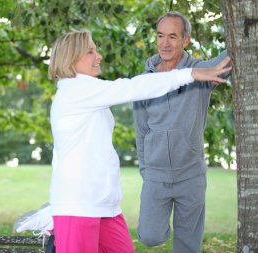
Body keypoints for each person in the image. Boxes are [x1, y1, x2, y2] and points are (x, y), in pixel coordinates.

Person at [43, 29, 230, 253]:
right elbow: (133, 87)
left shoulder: (86, 92)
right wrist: (189, 74)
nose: (98, 56)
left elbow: (62, 153)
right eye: (91, 51)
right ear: (71, 58)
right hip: (79, 206)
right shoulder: (76, 90)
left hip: (102, 205)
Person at [133, 11, 231, 253]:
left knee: (188, 246)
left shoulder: (201, 73)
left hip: (191, 175)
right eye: (160, 36)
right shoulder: (145, 81)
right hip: (156, 176)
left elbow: (233, 56)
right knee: (149, 235)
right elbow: (141, 131)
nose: (165, 43)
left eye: (173, 37)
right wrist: (146, 170)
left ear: (186, 40)